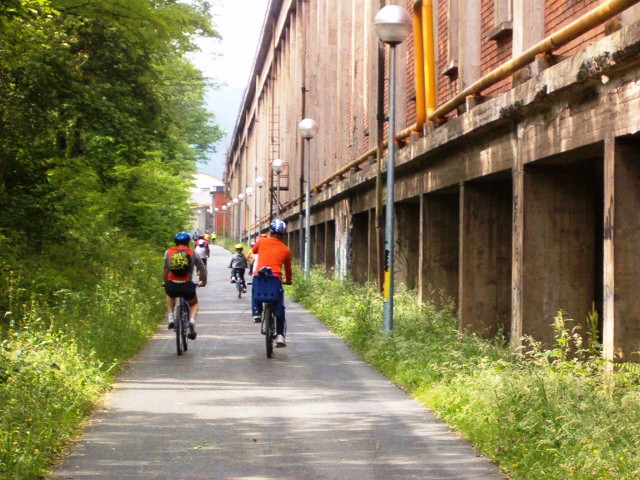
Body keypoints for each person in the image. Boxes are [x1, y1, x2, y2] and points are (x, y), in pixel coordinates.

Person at [251, 219, 292, 347]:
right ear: (284, 234)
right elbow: (288, 269)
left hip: (260, 277)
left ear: (271, 231)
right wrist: (289, 281)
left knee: (255, 290)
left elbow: (253, 251)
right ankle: (280, 335)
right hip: (276, 280)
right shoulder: (286, 250)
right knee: (279, 307)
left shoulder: (262, 241)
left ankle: (256, 313)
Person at [163, 231, 207, 339]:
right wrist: (203, 281)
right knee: (193, 304)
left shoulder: (168, 252)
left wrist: (165, 282)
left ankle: (170, 316)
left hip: (172, 285)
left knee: (170, 295)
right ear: (188, 242)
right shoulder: (193, 253)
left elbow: (165, 269)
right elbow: (202, 268)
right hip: (187, 285)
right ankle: (191, 321)